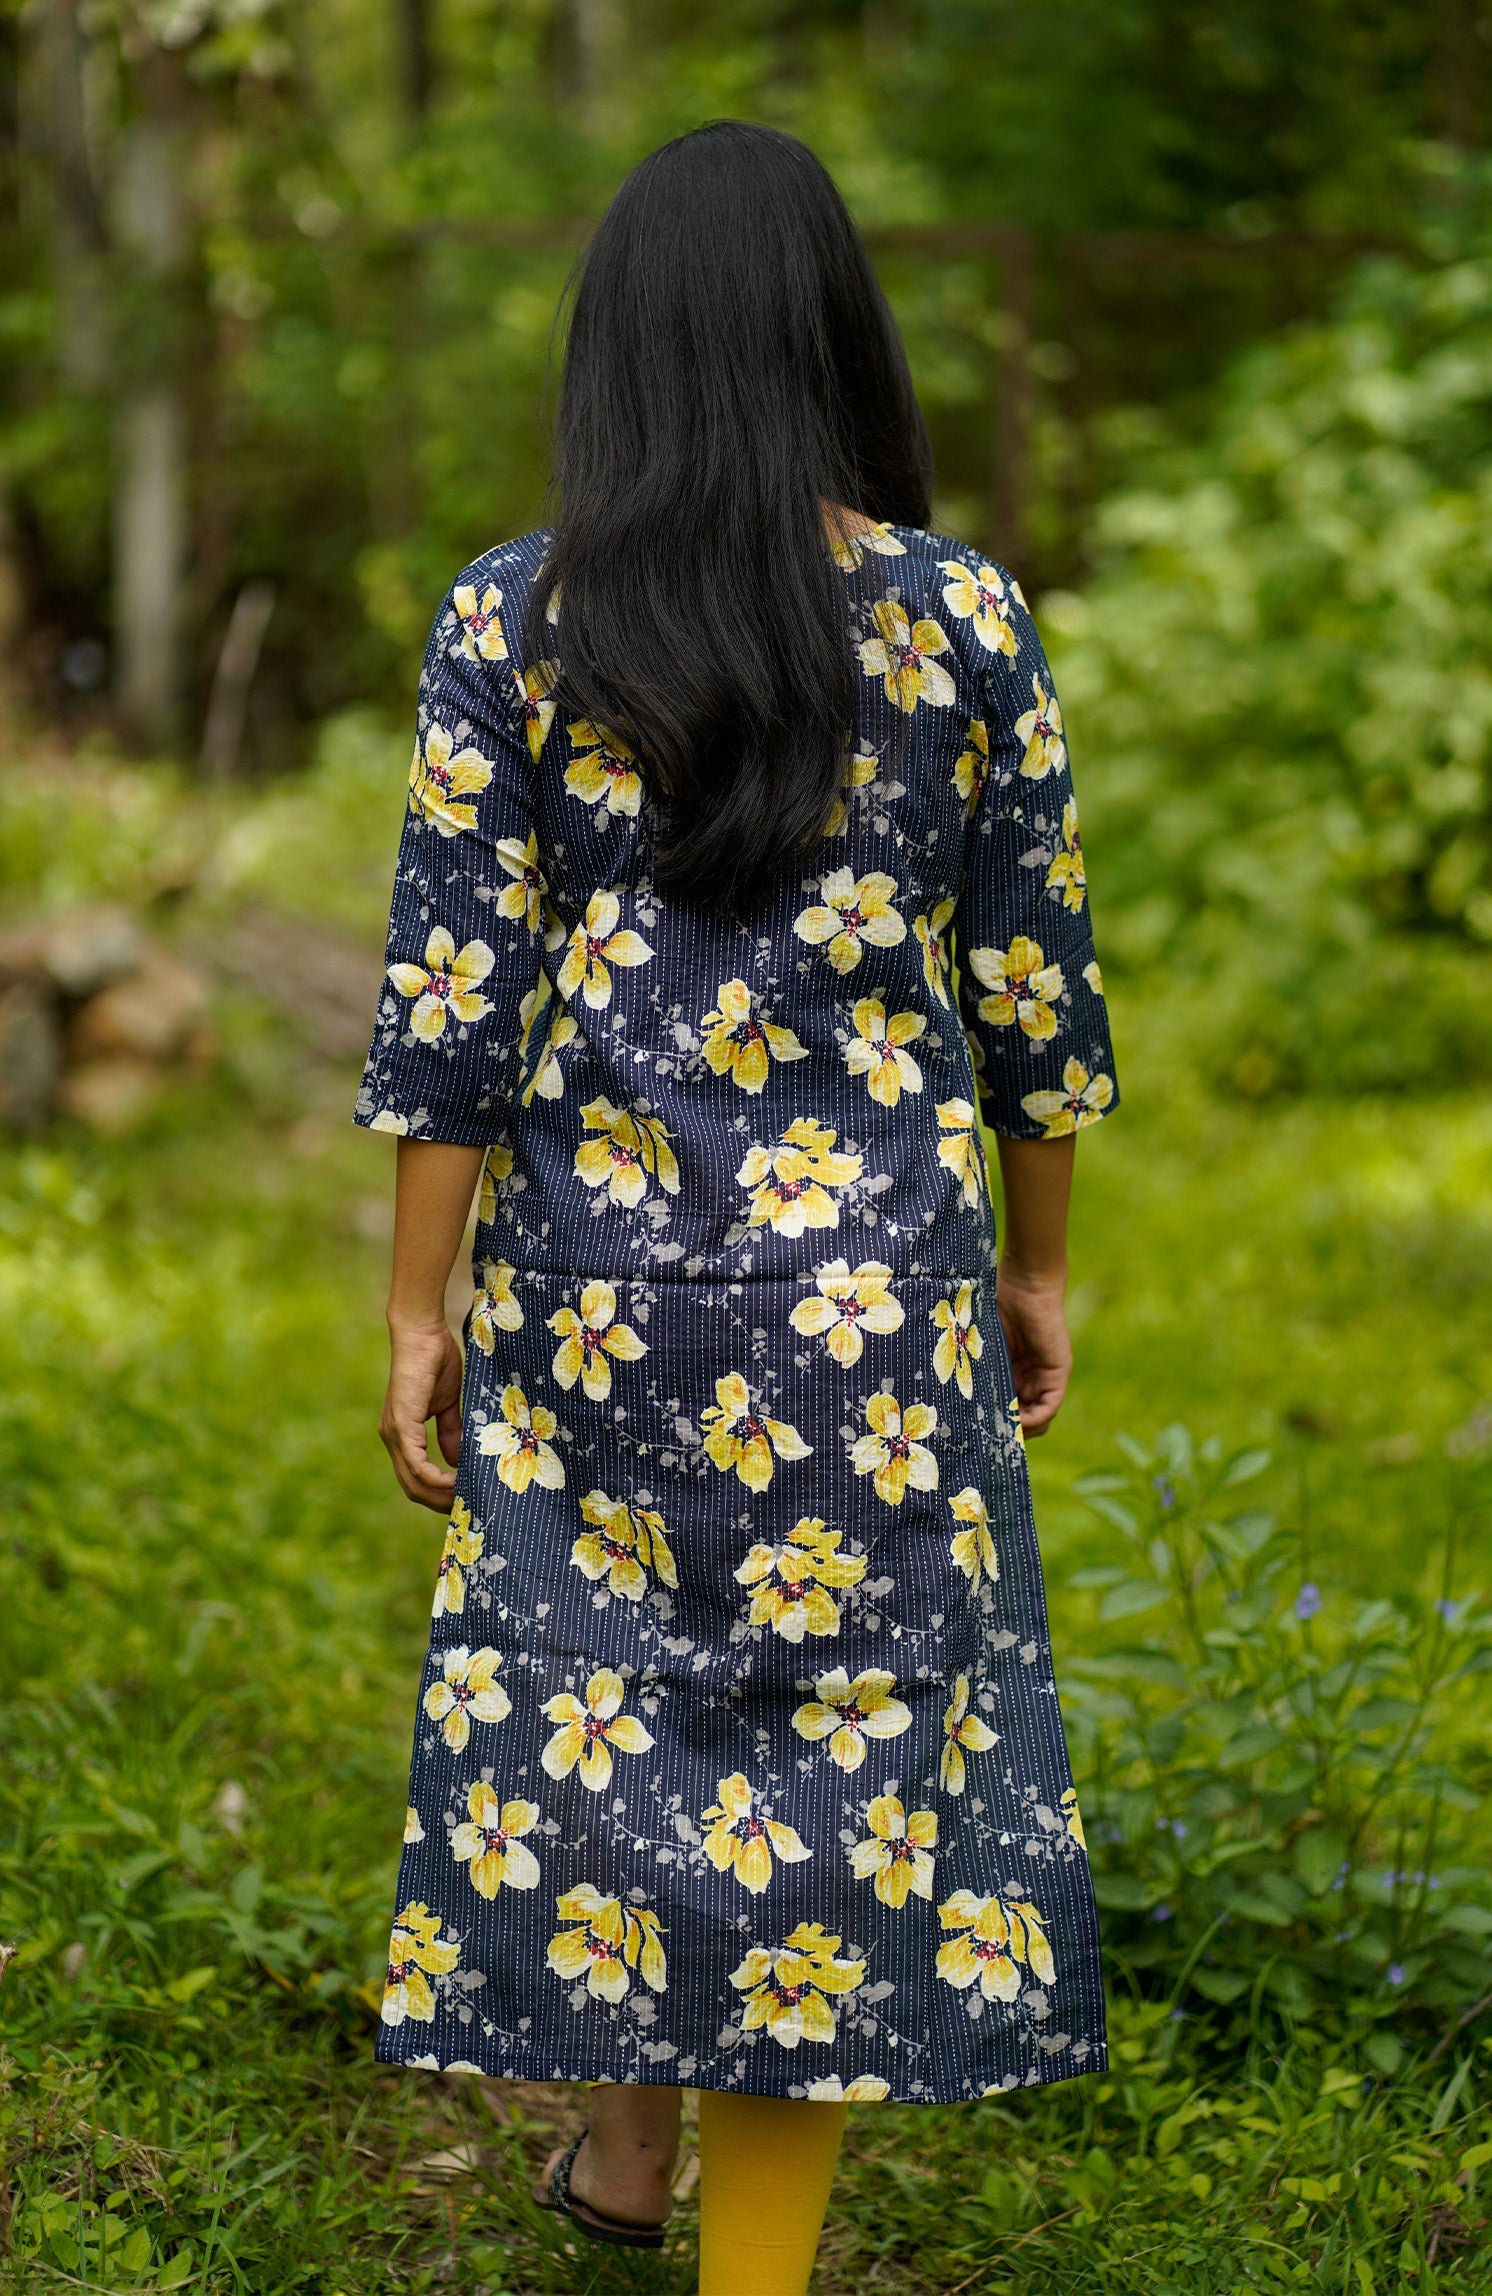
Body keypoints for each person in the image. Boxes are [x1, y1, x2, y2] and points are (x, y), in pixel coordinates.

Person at [358, 118, 1117, 2296]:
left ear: (617, 353)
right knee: (827, 1742)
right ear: (831, 339)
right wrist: (1040, 1264)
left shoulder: (512, 617)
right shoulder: (960, 616)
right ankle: (737, 2261)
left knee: (605, 1701)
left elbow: (448, 1002)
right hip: (870, 1300)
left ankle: (616, 2165)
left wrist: (420, 1307)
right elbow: (1031, 999)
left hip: (593, 1283)